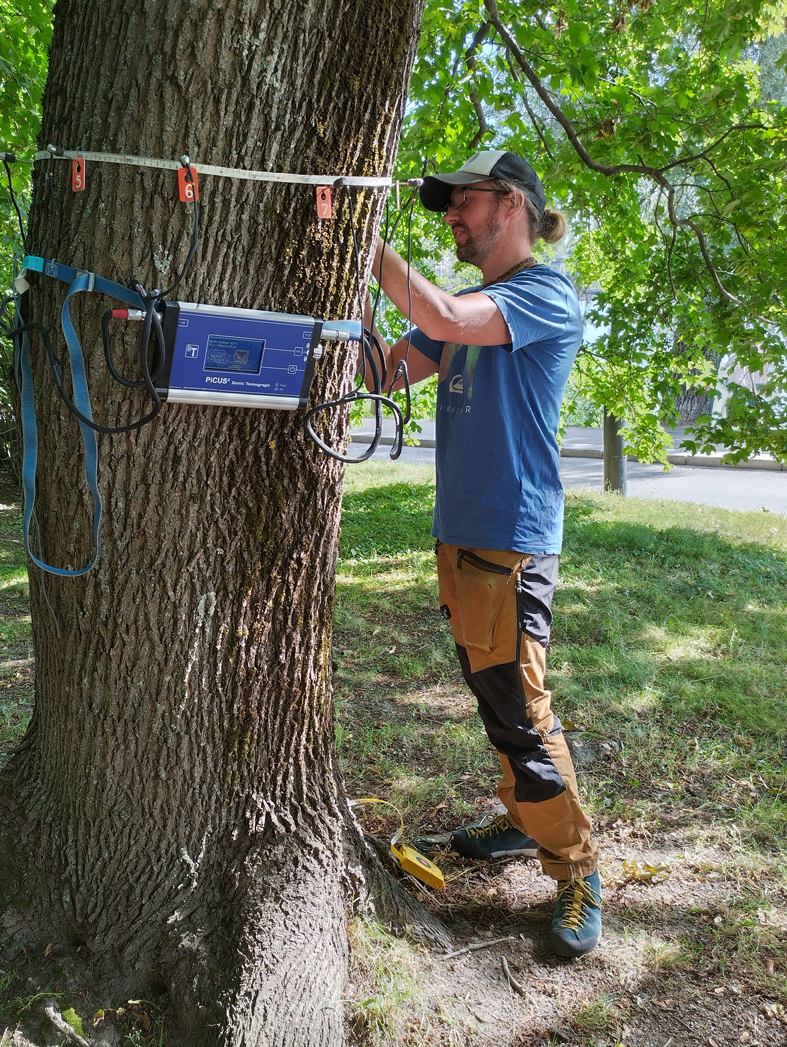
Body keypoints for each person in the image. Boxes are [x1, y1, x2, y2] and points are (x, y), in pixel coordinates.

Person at [368, 150, 600, 958]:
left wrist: (364, 240)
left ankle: (575, 866)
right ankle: (522, 816)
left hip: (511, 540)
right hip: (462, 535)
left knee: (521, 709)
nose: (450, 218)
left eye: (462, 202)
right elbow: (384, 369)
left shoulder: (542, 294)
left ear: (510, 205)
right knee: (491, 692)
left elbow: (438, 318)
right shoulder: (468, 310)